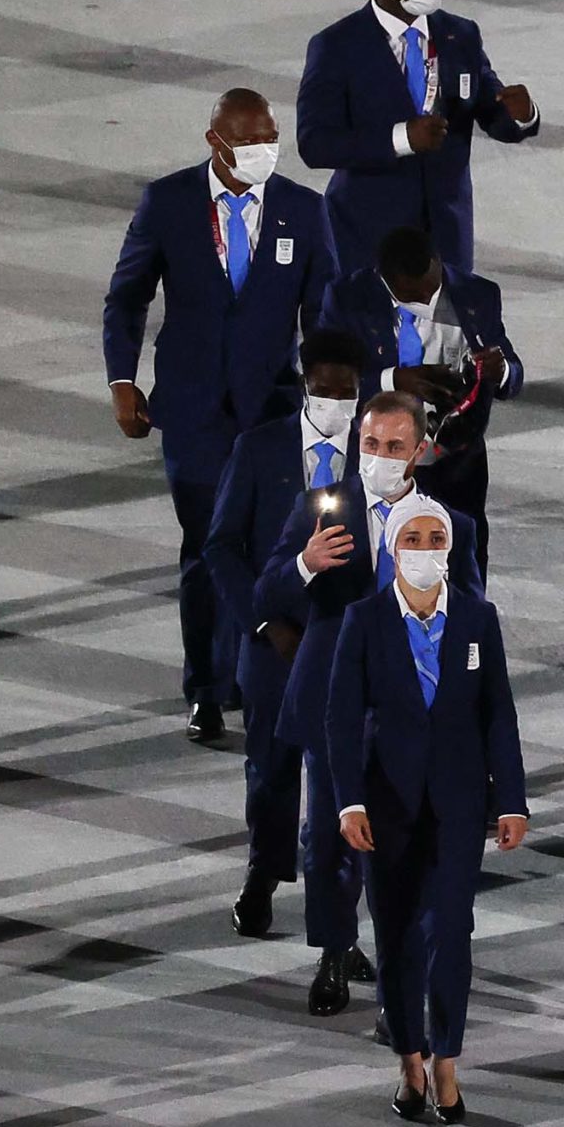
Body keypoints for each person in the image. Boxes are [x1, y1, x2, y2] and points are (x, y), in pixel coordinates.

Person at [103, 89, 337, 741]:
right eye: (250, 139)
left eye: (271, 136)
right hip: (192, 410)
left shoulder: (303, 211)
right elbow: (125, 299)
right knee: (208, 545)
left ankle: (257, 671)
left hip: (272, 413)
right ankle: (205, 686)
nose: (265, 149)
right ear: (216, 142)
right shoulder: (168, 203)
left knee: (270, 544)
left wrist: (328, 394)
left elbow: (320, 316)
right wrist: (122, 380)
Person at [255, 393, 482, 1017]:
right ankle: (333, 953)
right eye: (370, 445)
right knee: (330, 836)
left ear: (419, 451)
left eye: (393, 447)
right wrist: (305, 563)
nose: (378, 458)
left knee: (402, 849)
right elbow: (263, 591)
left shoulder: (449, 525)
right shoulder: (322, 510)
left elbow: (472, 619)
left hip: (414, 714)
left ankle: (399, 982)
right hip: (334, 702)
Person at [327, 493, 527, 1125]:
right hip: (385, 807)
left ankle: (447, 1061)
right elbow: (338, 718)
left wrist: (513, 798)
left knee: (450, 932)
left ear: (450, 549)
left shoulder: (477, 618)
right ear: (392, 551)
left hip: (459, 804)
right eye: (410, 540)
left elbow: (498, 712)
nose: (422, 550)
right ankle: (409, 1059)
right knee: (395, 937)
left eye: (432, 539)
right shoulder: (363, 621)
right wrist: (348, 801)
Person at [205, 329, 365, 938]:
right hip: (271, 643)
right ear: (305, 386)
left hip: (344, 646)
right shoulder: (258, 449)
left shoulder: (372, 452)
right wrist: (264, 621)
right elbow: (220, 548)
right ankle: (263, 874)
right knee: (270, 769)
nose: (335, 403)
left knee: (340, 782)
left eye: (346, 392)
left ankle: (337, 920)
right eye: (324, 391)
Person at [296, 0, 539, 279]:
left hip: (447, 237)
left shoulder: (461, 35)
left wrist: (522, 115)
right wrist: (401, 139)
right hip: (368, 238)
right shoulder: (337, 46)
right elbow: (314, 144)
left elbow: (493, 112)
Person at [320, 225, 522, 578]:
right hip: (379, 464)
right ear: (386, 280)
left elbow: (513, 377)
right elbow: (326, 379)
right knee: (374, 566)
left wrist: (502, 369)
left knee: (462, 567)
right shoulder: (348, 299)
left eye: (434, 286)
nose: (430, 300)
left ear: (437, 261)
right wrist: (394, 380)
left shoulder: (478, 295)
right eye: (415, 296)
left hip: (457, 467)